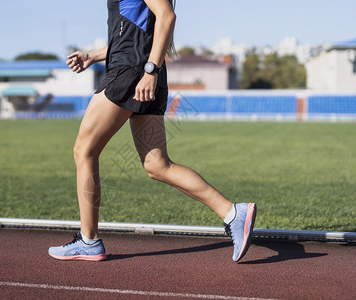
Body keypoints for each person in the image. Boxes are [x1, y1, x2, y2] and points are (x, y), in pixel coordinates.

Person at [48, 0, 256, 263]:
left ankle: (88, 241)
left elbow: (167, 16)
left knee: (84, 150)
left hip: (132, 73)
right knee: (157, 165)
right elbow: (134, 33)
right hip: (141, 72)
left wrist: (150, 70)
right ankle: (232, 213)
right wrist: (93, 55)